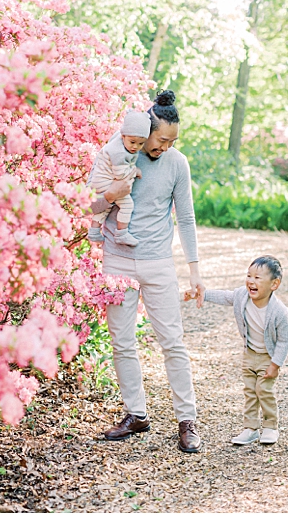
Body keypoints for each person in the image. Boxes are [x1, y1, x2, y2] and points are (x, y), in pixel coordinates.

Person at [89, 90, 205, 453]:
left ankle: (187, 420)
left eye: (173, 141)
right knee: (122, 342)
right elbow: (91, 205)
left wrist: (194, 270)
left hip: (157, 262)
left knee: (173, 342)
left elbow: (185, 217)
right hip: (118, 260)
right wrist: (112, 194)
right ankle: (136, 414)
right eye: (161, 139)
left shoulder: (177, 164)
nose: (166, 147)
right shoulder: (115, 156)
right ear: (145, 131)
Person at [194, 255, 288, 445]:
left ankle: (271, 427)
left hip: (267, 356)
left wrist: (275, 365)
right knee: (250, 391)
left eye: (258, 278)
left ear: (274, 284)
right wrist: (203, 294)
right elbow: (225, 296)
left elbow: (284, 341)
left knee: (263, 390)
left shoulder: (280, 312)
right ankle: (251, 428)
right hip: (249, 354)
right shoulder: (242, 296)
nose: (251, 281)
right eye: (249, 276)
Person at [87, 110, 149, 246]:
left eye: (140, 144)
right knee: (127, 205)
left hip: (101, 181)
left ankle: (94, 231)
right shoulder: (119, 152)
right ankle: (122, 233)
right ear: (123, 135)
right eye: (132, 142)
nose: (135, 147)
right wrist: (134, 171)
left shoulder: (120, 144)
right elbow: (120, 175)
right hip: (105, 181)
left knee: (108, 206)